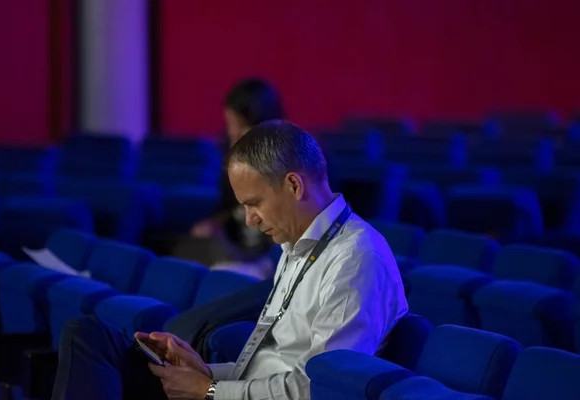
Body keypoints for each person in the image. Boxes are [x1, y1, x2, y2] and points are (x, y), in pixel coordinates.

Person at [51, 120, 408, 400]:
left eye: (254, 203)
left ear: (294, 186)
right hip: (231, 393)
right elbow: (270, 366)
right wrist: (205, 372)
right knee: (89, 336)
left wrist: (207, 391)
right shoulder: (297, 245)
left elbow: (318, 389)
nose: (250, 220)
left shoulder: (355, 259)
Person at [172, 77, 286, 279]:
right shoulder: (232, 163)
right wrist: (215, 224)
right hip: (234, 248)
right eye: (229, 125)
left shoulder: (287, 168)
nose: (233, 134)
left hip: (266, 260)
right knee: (182, 257)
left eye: (241, 127)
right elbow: (226, 210)